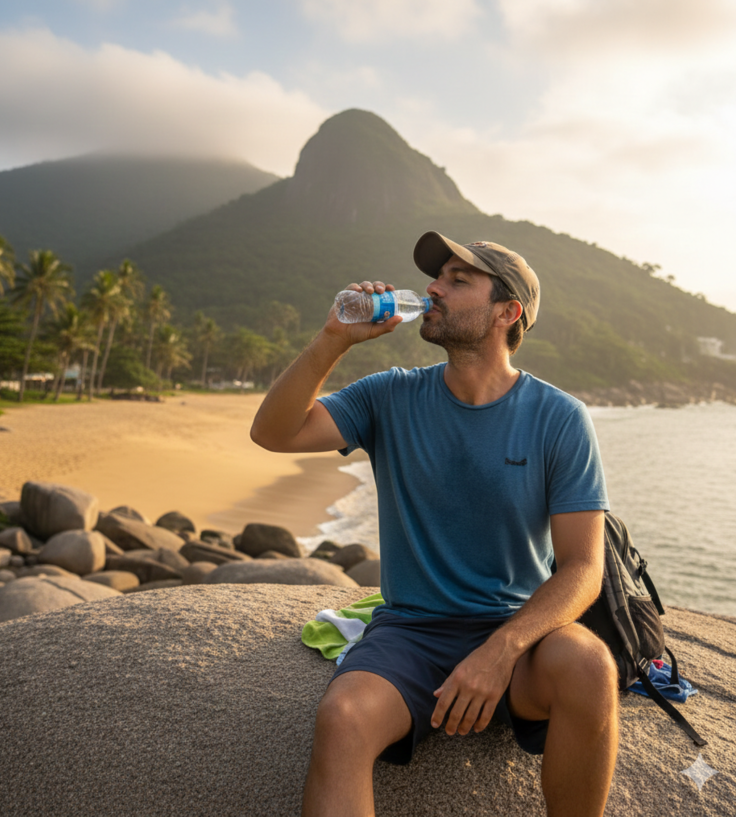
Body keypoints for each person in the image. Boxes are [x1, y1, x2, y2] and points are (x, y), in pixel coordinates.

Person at [250, 231, 618, 817]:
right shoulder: (389, 397)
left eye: (457, 280)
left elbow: (583, 567)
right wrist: (333, 340)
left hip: (519, 634)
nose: (432, 288)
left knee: (591, 666)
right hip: (412, 634)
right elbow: (273, 434)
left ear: (507, 312)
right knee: (342, 718)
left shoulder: (559, 418)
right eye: (437, 276)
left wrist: (501, 651)